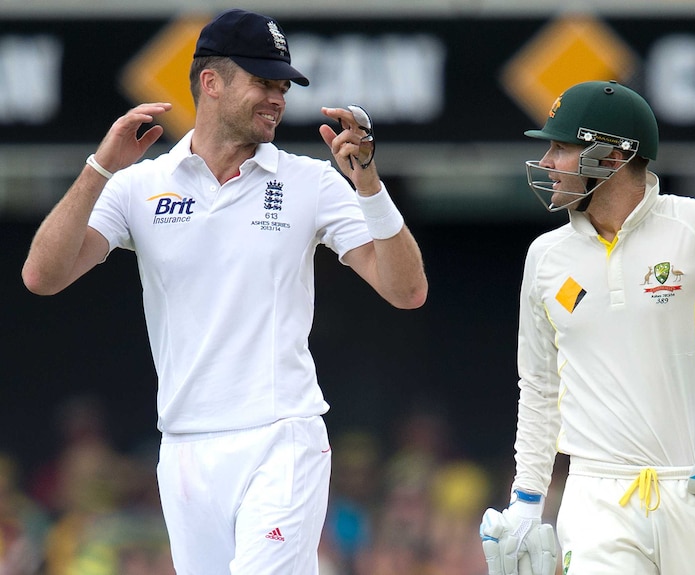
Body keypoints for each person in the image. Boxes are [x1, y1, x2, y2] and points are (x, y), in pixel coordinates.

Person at [21, 8, 427, 574]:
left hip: (282, 436)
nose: (277, 99)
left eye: (282, 86)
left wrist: (369, 185)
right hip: (185, 447)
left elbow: (406, 291)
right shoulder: (139, 185)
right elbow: (43, 275)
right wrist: (99, 169)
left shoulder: (309, 182)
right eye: (263, 82)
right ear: (211, 82)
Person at [479, 80, 695, 575]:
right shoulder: (545, 257)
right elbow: (538, 386)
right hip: (598, 498)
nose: (548, 162)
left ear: (613, 156)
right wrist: (527, 500)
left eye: (561, 147)